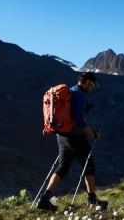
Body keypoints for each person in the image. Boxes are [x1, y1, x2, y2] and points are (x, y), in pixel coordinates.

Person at [37, 71, 108, 211]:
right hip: (75, 136)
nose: (92, 88)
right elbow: (79, 121)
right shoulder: (80, 95)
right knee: (89, 165)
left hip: (61, 135)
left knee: (63, 167)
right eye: (93, 85)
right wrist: (93, 134)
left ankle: (45, 198)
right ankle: (91, 199)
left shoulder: (70, 91)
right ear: (88, 82)